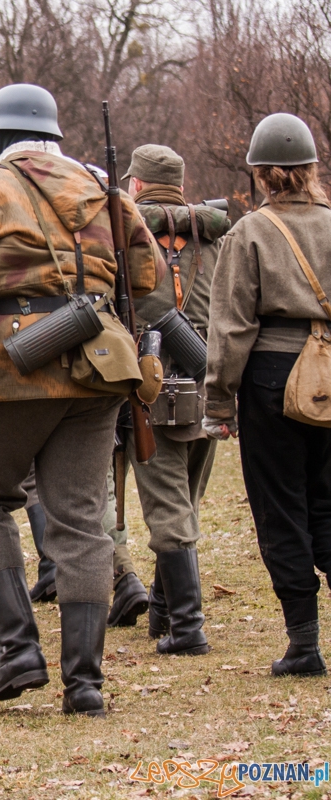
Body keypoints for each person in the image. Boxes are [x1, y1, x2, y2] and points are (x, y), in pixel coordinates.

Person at [0, 84, 162, 716]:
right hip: (99, 368)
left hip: (8, 370)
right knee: (81, 521)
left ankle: (19, 651)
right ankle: (86, 684)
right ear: (56, 137)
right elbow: (148, 274)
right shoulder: (107, 195)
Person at [205, 113, 331, 677]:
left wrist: (218, 400)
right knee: (329, 502)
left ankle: (304, 646)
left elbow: (231, 327)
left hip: (271, 378)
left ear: (259, 173)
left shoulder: (249, 232)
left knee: (282, 508)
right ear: (310, 168)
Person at [122, 144, 231, 645]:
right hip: (211, 381)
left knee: (168, 508)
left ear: (137, 186)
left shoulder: (125, 236)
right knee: (185, 501)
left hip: (151, 385)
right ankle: (163, 615)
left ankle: (187, 627)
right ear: (182, 187)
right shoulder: (218, 238)